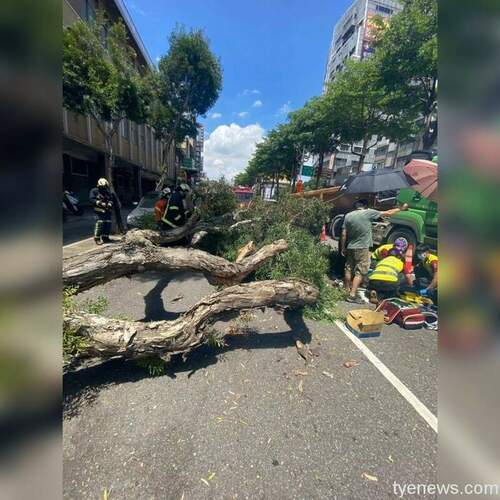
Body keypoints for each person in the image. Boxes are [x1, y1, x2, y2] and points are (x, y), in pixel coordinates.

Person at [341, 199, 409, 303]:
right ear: (365, 206)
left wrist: (342, 247)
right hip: (362, 247)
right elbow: (388, 213)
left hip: (350, 246)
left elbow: (343, 233)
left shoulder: (348, 215)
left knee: (348, 268)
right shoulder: (368, 212)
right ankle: (352, 295)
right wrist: (401, 208)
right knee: (360, 271)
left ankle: (346, 290)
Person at [89, 178, 121, 245]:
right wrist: (100, 203)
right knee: (100, 224)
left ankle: (105, 238)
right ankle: (97, 239)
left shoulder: (107, 192)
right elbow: (91, 199)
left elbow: (111, 199)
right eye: (103, 187)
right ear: (99, 186)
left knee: (107, 224)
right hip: (98, 211)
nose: (104, 188)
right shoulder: (94, 191)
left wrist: (110, 203)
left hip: (107, 211)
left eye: (105, 187)